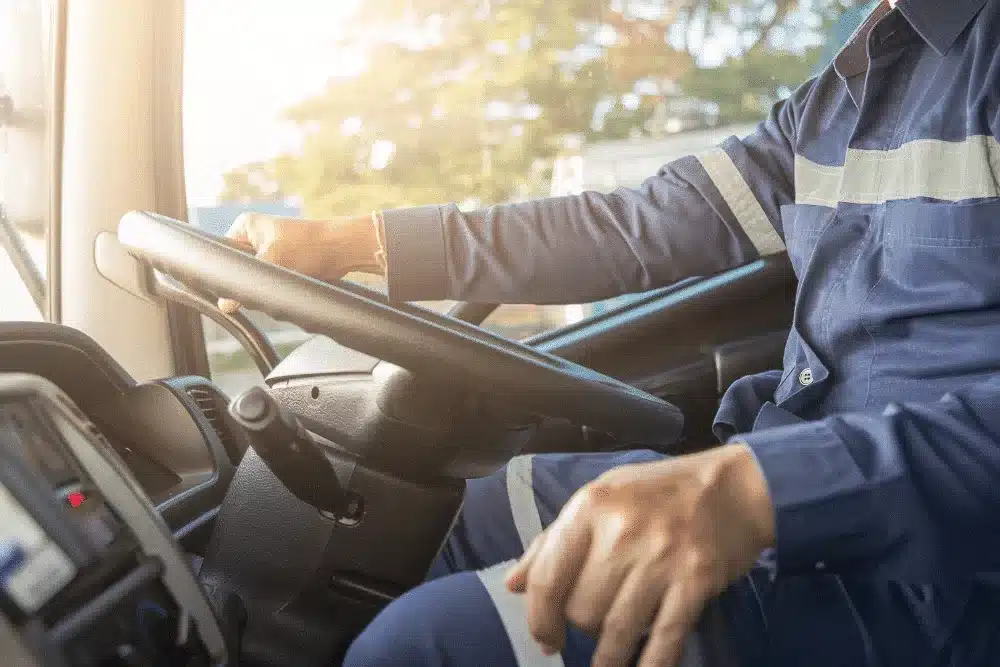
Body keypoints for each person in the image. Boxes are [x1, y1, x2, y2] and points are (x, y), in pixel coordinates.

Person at [220, 0, 1000, 664]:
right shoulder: (847, 94)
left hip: (938, 571)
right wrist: (354, 245)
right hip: (792, 490)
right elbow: (637, 227)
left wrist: (760, 488)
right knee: (461, 508)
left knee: (426, 645)